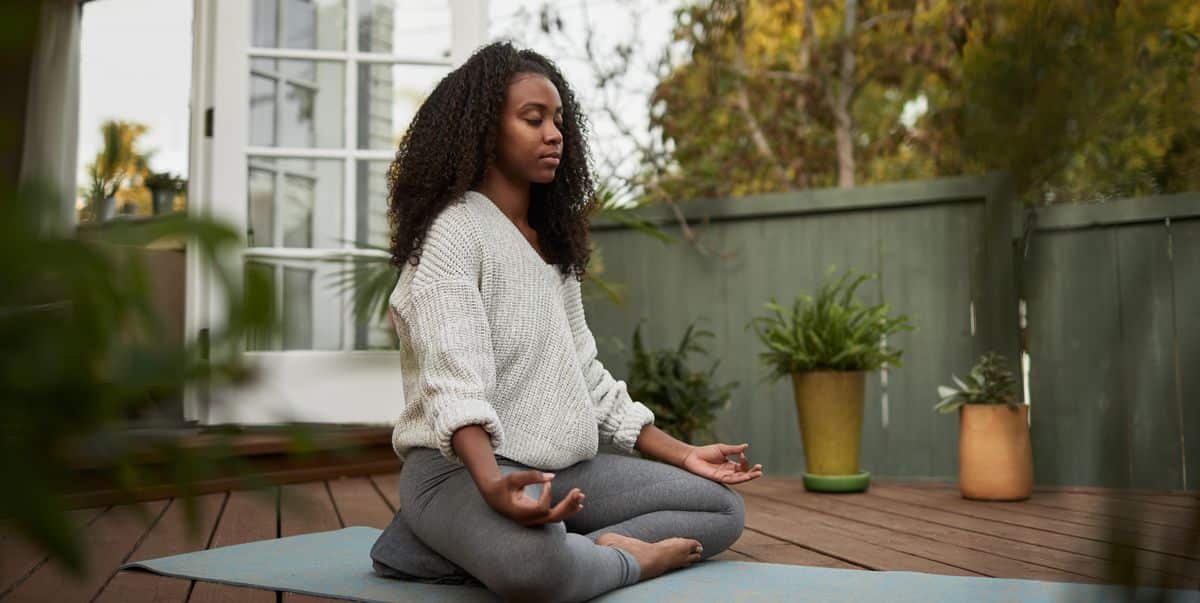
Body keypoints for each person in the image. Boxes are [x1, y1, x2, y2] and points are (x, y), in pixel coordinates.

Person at [370, 40, 764, 603]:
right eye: (533, 119)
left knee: (719, 507)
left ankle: (470, 549)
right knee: (535, 568)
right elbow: (452, 385)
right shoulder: (452, 234)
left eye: (557, 120)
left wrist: (684, 453)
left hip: (560, 469)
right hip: (459, 473)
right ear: (484, 131)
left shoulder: (550, 248)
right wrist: (493, 486)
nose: (554, 133)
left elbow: (588, 380)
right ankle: (615, 559)